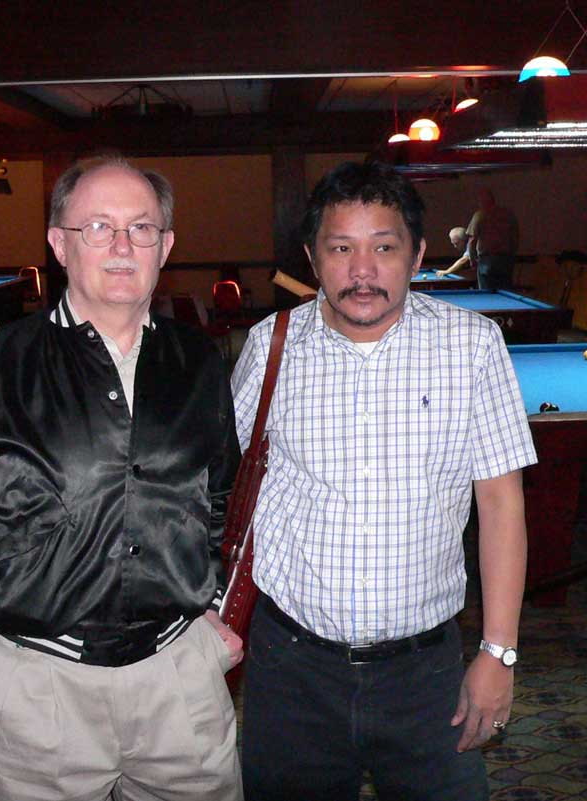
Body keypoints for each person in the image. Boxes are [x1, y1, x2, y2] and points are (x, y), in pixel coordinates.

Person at [0, 156, 244, 801]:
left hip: (182, 681)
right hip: (39, 690)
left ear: (166, 245)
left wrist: (217, 607)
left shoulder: (198, 360)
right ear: (60, 245)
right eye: (98, 227)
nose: (122, 245)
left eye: (141, 228)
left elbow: (221, 497)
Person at [232, 161, 537, 801]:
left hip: (426, 673)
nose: (362, 271)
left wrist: (499, 653)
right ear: (313, 258)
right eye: (341, 248)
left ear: (418, 255)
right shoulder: (270, 347)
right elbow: (229, 484)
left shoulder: (473, 346)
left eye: (384, 247)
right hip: (291, 670)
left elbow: (501, 504)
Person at [466, 189, 519, 290]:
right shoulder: (508, 215)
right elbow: (515, 237)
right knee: (505, 291)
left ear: (482, 202)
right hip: (506, 260)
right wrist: (512, 255)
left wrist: (472, 260)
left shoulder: (480, 215)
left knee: (486, 292)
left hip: (487, 260)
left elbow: (472, 240)